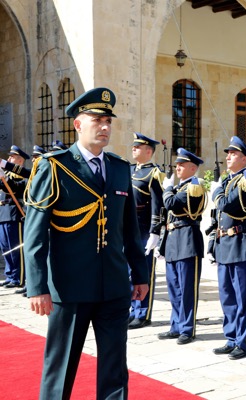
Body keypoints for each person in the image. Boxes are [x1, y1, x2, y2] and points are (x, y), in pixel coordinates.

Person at [23, 87, 149, 399]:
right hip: (70, 288)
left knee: (114, 368)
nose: (105, 127)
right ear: (78, 124)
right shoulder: (55, 167)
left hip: (114, 286)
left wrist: (141, 274)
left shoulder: (120, 168)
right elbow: (35, 234)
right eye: (97, 120)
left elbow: (130, 230)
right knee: (61, 366)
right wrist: (37, 287)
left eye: (108, 121)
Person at [211, 136, 246, 360]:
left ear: (244, 159)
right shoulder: (229, 181)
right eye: (228, 154)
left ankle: (243, 340)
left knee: (243, 296)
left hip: (241, 244)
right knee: (227, 295)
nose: (228, 157)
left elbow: (229, 206)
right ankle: (230, 337)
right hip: (225, 245)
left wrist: (216, 193)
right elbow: (219, 214)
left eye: (233, 154)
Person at [157, 147, 207, 345]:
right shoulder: (180, 188)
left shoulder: (193, 187)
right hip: (173, 240)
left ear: (193, 169)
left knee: (186, 288)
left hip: (187, 240)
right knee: (174, 287)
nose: (177, 168)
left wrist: (167, 188)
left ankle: (187, 328)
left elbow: (171, 203)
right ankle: (175, 326)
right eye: (177, 164)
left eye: (182, 165)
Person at [128, 132, 164, 329]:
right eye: (134, 146)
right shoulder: (129, 170)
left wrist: (155, 232)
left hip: (143, 229)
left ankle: (142, 313)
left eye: (138, 146)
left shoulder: (153, 173)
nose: (134, 148)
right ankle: (130, 309)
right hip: (127, 229)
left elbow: (158, 205)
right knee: (127, 272)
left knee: (143, 272)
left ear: (148, 151)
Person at [0, 145, 29, 290]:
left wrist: (4, 178)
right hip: (3, 213)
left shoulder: (20, 176)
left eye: (12, 157)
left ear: (20, 161)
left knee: (15, 248)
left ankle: (19, 277)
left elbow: (12, 187)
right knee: (5, 247)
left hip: (13, 213)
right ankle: (10, 274)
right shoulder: (7, 174)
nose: (9, 158)